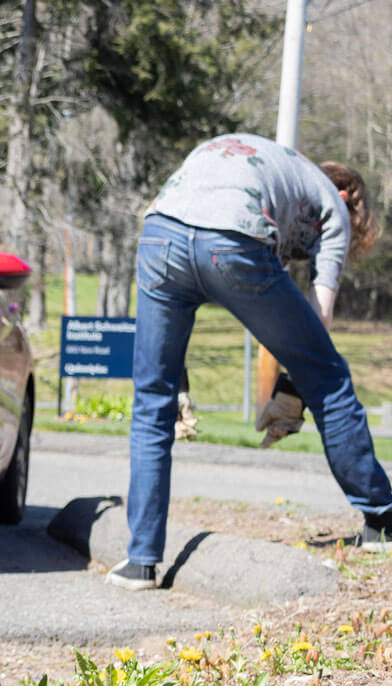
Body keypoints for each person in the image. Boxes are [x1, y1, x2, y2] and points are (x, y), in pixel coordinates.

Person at [109, 133, 392, 591]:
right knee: (330, 378)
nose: (308, 256)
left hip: (159, 232)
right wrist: (296, 389)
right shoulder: (333, 205)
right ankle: (382, 519)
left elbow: (184, 226)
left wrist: (175, 377)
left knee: (152, 400)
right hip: (232, 240)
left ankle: (140, 560)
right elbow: (316, 327)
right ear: (346, 198)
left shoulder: (268, 163)